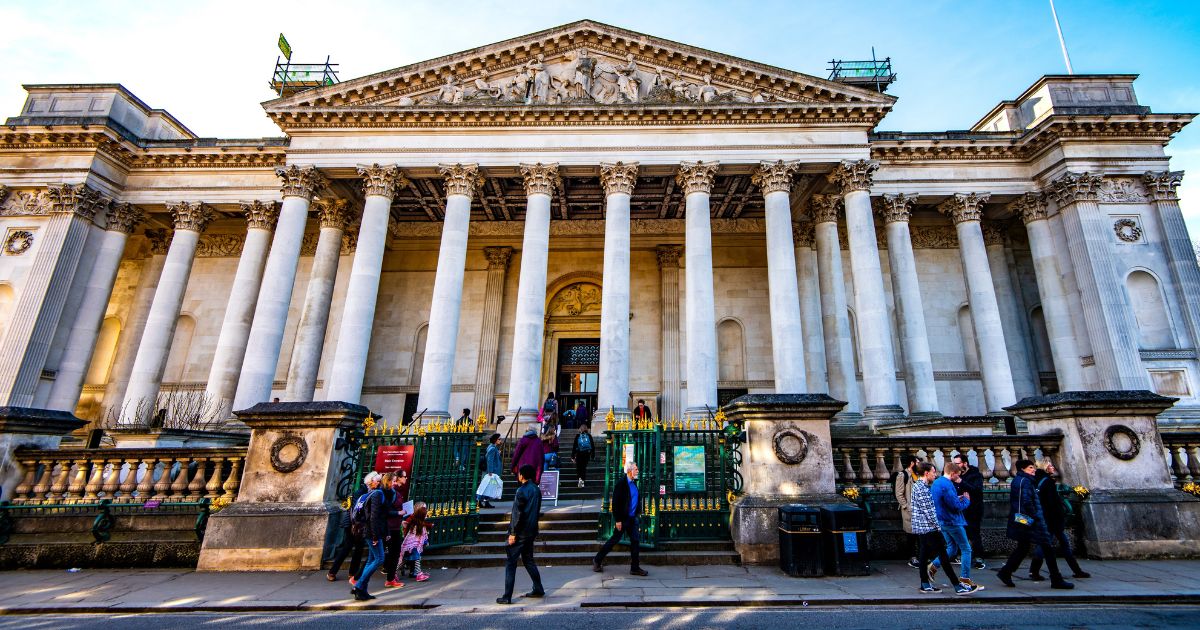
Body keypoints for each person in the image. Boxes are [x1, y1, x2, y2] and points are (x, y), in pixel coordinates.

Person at [996, 459, 1074, 589]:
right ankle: (1056, 579)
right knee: (1047, 548)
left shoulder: (1021, 480)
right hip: (1030, 521)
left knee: (1023, 548)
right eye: (1031, 468)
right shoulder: (1024, 481)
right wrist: (1036, 517)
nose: (1034, 470)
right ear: (1023, 469)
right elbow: (1026, 502)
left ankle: (1006, 572)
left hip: (1024, 520)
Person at [910, 462, 979, 595]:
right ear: (926, 473)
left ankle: (925, 584)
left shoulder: (919, 486)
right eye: (933, 472)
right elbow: (928, 511)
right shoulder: (922, 488)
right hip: (929, 527)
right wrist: (938, 527)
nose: (935, 474)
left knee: (924, 555)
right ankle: (958, 586)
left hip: (922, 527)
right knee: (944, 557)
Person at [1030, 460, 1090, 581]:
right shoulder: (1048, 482)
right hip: (1053, 520)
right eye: (1050, 465)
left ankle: (1035, 571)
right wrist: (1059, 517)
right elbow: (1053, 504)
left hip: (1046, 519)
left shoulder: (1038, 481)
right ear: (1045, 468)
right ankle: (1036, 571)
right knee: (1053, 545)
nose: (1053, 467)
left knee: (1054, 545)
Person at [928, 462, 983, 591]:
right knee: (966, 549)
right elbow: (956, 507)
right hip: (952, 521)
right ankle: (965, 579)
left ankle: (933, 566)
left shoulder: (937, 482)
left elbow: (945, 500)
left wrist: (956, 497)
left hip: (942, 521)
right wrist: (966, 501)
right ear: (952, 473)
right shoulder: (947, 485)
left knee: (952, 548)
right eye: (957, 475)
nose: (957, 478)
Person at [497, 464, 545, 604]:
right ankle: (538, 588)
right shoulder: (536, 489)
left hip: (520, 532)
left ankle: (507, 596)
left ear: (522, 476)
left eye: (519, 474)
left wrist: (512, 533)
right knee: (528, 560)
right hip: (531, 530)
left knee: (511, 563)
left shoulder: (521, 491)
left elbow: (516, 514)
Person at [593, 461, 648, 576]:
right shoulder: (621, 484)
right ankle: (597, 560)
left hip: (632, 519)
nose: (638, 471)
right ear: (629, 471)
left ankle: (635, 568)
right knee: (614, 540)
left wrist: (638, 513)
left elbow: (635, 500)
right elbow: (615, 504)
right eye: (636, 469)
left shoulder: (634, 483)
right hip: (623, 519)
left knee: (635, 541)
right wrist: (618, 520)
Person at [350, 471, 389, 601]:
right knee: (379, 558)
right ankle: (359, 585)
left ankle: (363, 592)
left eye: (379, 479)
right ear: (371, 482)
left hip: (367, 531)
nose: (379, 481)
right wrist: (375, 536)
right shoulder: (377, 494)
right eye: (377, 480)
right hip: (372, 532)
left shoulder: (367, 495)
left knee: (371, 560)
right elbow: (374, 517)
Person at [952, 453, 987, 570]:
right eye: (954, 463)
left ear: (965, 463)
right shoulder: (956, 474)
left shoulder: (975, 475)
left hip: (974, 509)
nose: (955, 466)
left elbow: (976, 491)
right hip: (961, 509)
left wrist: (961, 481)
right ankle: (962, 555)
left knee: (974, 533)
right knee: (962, 533)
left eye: (958, 463)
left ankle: (979, 557)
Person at [328, 484, 367, 582]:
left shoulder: (368, 492)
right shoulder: (360, 493)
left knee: (359, 549)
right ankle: (332, 572)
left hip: (360, 525)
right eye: (377, 481)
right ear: (370, 482)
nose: (378, 483)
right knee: (347, 547)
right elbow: (357, 510)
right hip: (351, 524)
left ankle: (353, 573)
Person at [382, 472, 409, 588]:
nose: (395, 483)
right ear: (388, 481)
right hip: (389, 527)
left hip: (395, 526)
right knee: (377, 557)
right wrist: (399, 513)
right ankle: (358, 578)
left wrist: (400, 519)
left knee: (395, 553)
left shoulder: (393, 493)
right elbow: (385, 512)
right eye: (393, 481)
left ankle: (391, 578)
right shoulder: (385, 494)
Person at [893, 454, 921, 569]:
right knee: (911, 535)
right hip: (909, 509)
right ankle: (912, 557)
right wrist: (906, 506)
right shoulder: (903, 475)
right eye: (918, 463)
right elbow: (899, 493)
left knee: (920, 534)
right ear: (912, 463)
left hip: (919, 509)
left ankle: (921, 556)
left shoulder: (918, 475)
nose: (919, 465)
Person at [399, 502, 432, 582]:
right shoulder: (414, 520)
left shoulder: (419, 521)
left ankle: (415, 573)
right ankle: (418, 574)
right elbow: (411, 532)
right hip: (411, 545)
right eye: (424, 508)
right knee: (411, 559)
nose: (426, 510)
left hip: (415, 545)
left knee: (411, 559)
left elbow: (423, 533)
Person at [478, 433, 503, 509]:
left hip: (491, 471)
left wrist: (497, 453)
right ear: (495, 440)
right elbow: (490, 460)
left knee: (486, 487)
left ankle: (481, 501)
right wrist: (490, 472)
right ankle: (485, 502)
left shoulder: (493, 448)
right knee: (489, 487)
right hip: (491, 472)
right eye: (499, 439)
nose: (500, 440)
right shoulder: (492, 449)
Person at [571, 423, 595, 488]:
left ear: (580, 429)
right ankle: (583, 481)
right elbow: (592, 446)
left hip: (579, 453)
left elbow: (574, 446)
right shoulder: (589, 436)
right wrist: (592, 455)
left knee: (579, 467)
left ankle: (580, 479)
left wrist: (572, 456)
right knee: (584, 467)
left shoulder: (577, 436)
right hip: (587, 454)